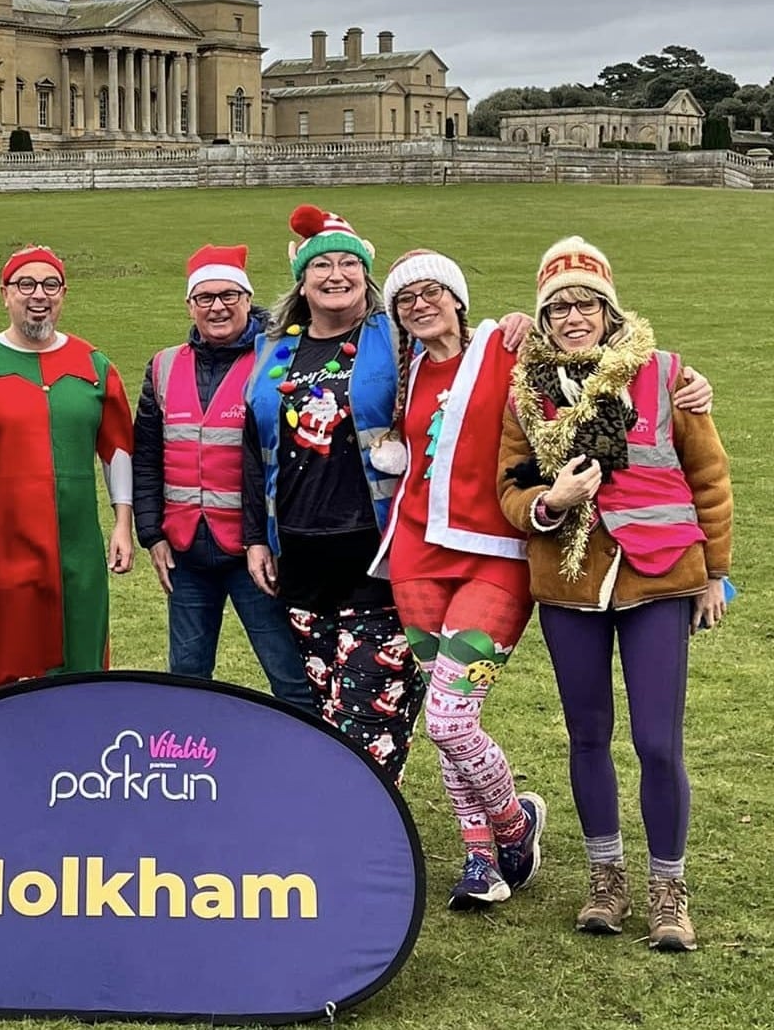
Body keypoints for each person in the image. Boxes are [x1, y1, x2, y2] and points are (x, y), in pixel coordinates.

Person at [372, 248, 716, 911]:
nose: (420, 304)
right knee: (449, 713)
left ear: (460, 298)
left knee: (448, 717)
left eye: (432, 292)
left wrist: (690, 385)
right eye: (405, 298)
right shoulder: (402, 371)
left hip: (498, 562)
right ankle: (480, 856)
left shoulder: (511, 350)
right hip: (420, 562)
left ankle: (513, 825)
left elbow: (611, 369)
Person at [499, 237, 732, 952]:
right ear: (543, 318)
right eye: (559, 306)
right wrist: (550, 500)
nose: (574, 316)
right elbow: (508, 489)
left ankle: (669, 888)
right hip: (569, 584)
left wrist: (716, 572)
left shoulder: (666, 375)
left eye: (586, 303)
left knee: (658, 743)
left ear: (608, 308)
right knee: (587, 735)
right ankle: (606, 878)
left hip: (661, 575)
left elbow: (710, 477)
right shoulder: (526, 391)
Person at [242, 206, 423, 784]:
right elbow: (252, 452)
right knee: (322, 710)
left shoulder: (393, 336)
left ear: (365, 276)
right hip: (299, 551)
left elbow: (458, 347)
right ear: (302, 279)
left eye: (349, 262)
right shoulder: (273, 349)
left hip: (375, 551)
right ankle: (512, 824)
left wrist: (513, 325)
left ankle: (367, 841)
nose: (336, 274)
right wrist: (255, 539)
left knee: (369, 717)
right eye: (322, 264)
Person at [0, 245, 134, 696]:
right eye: (25, 285)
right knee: (5, 655)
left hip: (76, 544)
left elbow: (117, 449)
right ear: (5, 294)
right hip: (1, 539)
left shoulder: (92, 365)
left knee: (79, 652)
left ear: (63, 294)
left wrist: (122, 523)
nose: (38, 295)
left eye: (50, 285)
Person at [132, 244, 312, 710]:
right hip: (187, 550)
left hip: (254, 551)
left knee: (289, 677)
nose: (218, 307)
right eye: (205, 297)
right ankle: (193, 765)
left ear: (248, 299)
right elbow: (147, 456)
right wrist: (151, 533)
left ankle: (314, 765)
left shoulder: (277, 360)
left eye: (229, 295)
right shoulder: (164, 365)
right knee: (188, 678)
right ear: (190, 305)